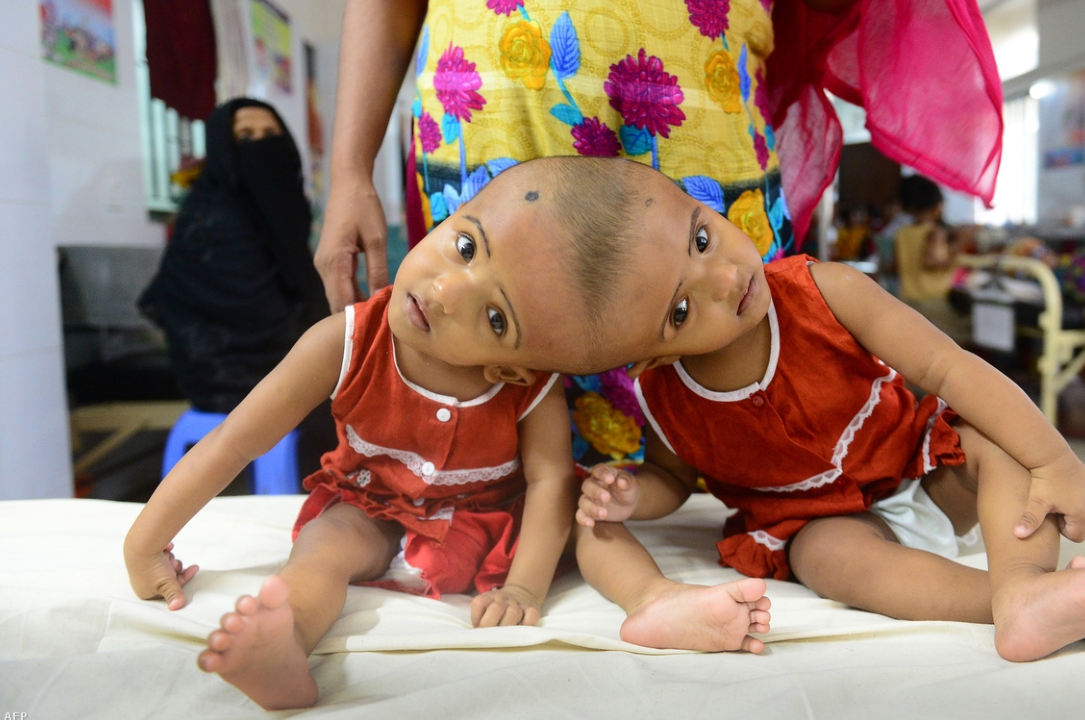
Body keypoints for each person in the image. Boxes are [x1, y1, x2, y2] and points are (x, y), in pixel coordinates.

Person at [314, 0, 1005, 469]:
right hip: (492, 110)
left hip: (699, 101)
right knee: (505, 479)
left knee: (745, 456)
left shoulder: (754, 267)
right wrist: (347, 170)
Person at [122, 159, 651, 710]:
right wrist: (144, 543)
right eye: (466, 247)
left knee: (590, 525)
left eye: (495, 318)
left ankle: (657, 600)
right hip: (371, 505)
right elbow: (236, 440)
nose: (446, 290)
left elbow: (549, 481)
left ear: (514, 367)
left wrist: (523, 588)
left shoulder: (531, 385)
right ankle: (285, 638)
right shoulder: (342, 341)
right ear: (451, 216)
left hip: (493, 518)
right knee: (322, 549)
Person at [567, 161, 1085, 661]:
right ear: (645, 357)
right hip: (826, 520)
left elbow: (948, 367)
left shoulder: (825, 290)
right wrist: (635, 495)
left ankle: (1025, 579)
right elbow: (673, 475)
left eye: (700, 239)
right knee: (826, 557)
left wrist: (1053, 459)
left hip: (923, 466)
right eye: (682, 308)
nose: (724, 277)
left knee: (993, 435)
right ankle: (1014, 605)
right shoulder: (667, 399)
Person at [139, 98, 330, 414]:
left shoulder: (281, 211)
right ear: (221, 152)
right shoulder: (213, 222)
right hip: (228, 379)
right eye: (245, 139)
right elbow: (255, 320)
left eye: (272, 136)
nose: (262, 148)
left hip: (280, 372)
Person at [893, 174, 970, 344]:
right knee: (963, 336)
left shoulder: (902, 233)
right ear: (937, 206)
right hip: (933, 303)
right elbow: (930, 262)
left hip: (907, 300)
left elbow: (896, 266)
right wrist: (955, 251)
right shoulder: (935, 232)